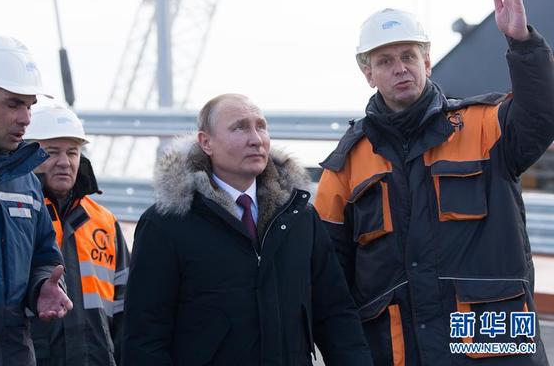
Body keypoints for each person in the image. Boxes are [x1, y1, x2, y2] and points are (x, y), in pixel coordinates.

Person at [314, 0, 554, 365]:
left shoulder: (484, 125)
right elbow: (329, 279)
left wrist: (523, 44)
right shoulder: (345, 166)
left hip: (496, 344)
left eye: (409, 55)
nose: (400, 67)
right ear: (367, 73)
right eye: (385, 60)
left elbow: (543, 115)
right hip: (400, 351)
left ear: (427, 59)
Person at [122, 93, 373, 365]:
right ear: (206, 142)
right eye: (239, 127)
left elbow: (336, 314)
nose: (255, 139)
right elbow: (144, 339)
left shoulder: (299, 217)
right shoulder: (167, 223)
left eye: (260, 126)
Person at [0, 35, 73, 365]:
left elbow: (44, 256)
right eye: (13, 104)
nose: (26, 118)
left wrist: (42, 289)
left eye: (29, 106)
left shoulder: (24, 178)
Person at [24, 104, 130, 366]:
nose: (64, 162)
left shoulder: (105, 222)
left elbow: (126, 308)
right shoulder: (15, 213)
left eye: (72, 152)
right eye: (51, 152)